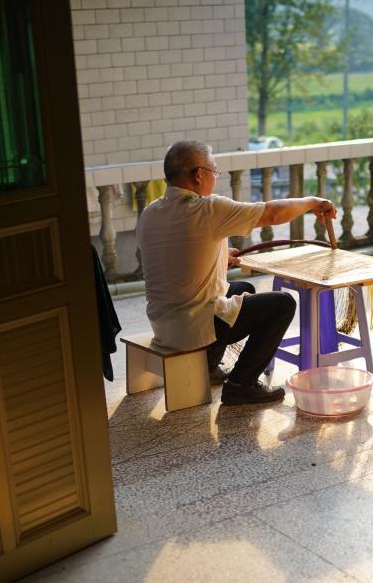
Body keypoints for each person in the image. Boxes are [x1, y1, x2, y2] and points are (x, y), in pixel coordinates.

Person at [135, 139, 337, 405]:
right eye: (214, 172)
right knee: (283, 304)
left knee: (242, 289)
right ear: (198, 175)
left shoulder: (150, 212)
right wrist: (312, 201)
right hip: (192, 327)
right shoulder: (207, 209)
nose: (215, 179)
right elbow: (273, 214)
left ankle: (207, 367)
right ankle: (242, 384)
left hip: (164, 323)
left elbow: (175, 255)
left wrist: (220, 255)